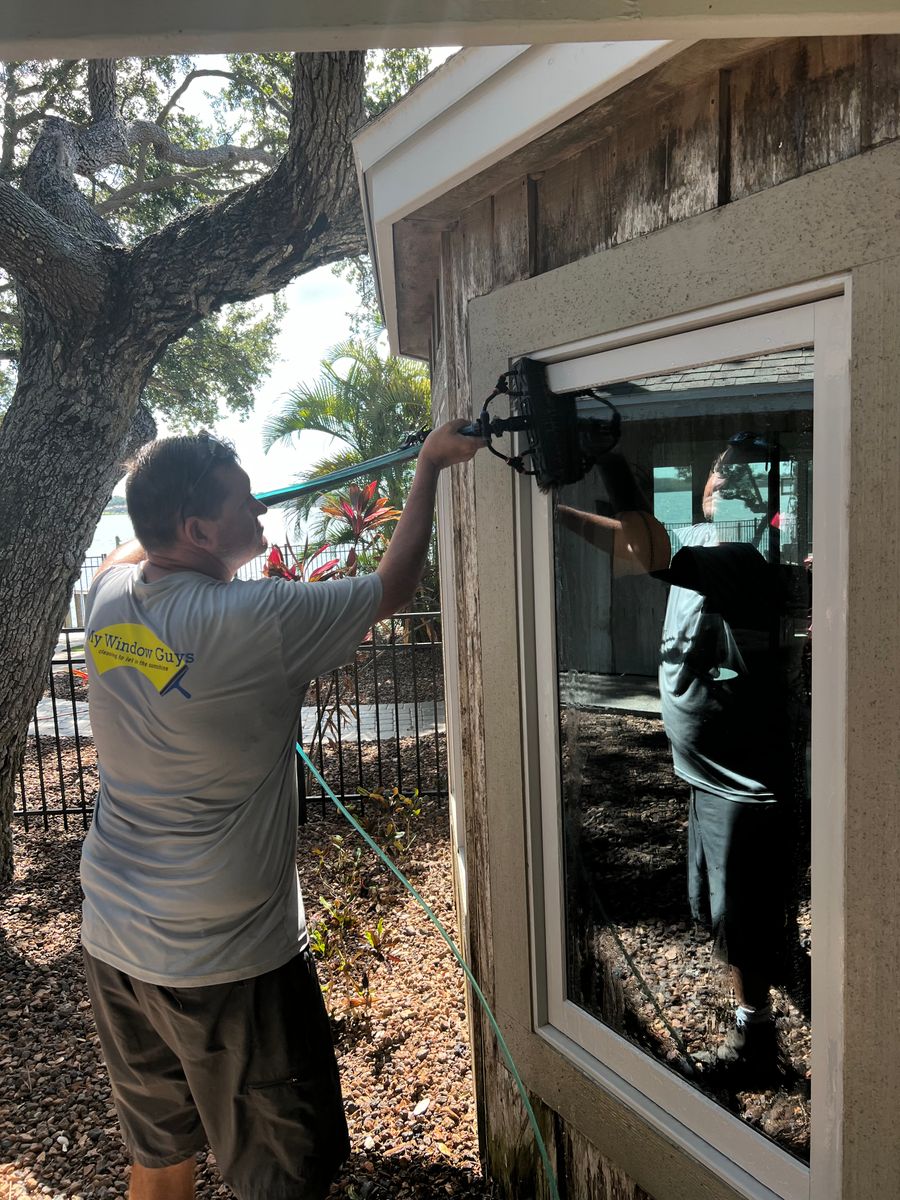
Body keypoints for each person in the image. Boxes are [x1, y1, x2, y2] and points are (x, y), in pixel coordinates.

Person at [80, 422, 482, 1200]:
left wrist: (160, 523)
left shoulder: (108, 598)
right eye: (243, 499)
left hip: (116, 940)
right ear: (197, 530)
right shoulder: (253, 618)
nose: (261, 506)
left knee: (160, 1158)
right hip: (226, 961)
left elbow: (126, 553)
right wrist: (429, 464)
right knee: (284, 1180)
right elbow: (393, 585)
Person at [558, 436, 809, 1069]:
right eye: (722, 473)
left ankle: (755, 1036)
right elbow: (632, 542)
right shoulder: (699, 538)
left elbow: (647, 553)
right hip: (705, 773)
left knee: (737, 918)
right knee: (716, 906)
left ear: (768, 505)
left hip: (742, 783)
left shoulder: (741, 557)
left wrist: (611, 459)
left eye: (745, 481)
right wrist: (551, 516)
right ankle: (776, 969)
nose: (727, 482)